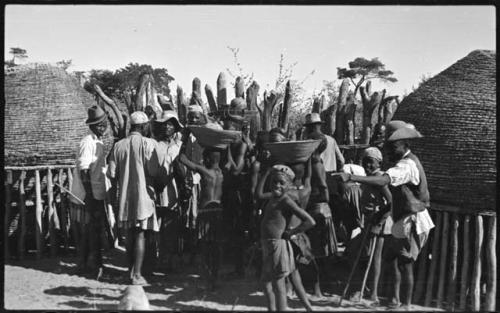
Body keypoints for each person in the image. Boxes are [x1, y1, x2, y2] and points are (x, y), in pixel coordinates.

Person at [338, 120, 434, 310]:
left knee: (405, 263)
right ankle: (394, 301)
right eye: (388, 146)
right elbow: (394, 198)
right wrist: (381, 213)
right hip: (401, 218)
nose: (389, 150)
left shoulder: (407, 165)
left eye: (394, 146)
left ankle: (404, 304)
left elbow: (383, 180)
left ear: (405, 144)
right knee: (392, 260)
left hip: (412, 220)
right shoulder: (402, 162)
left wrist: (352, 177)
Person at [107, 111, 161, 285]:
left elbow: (111, 173)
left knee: (129, 236)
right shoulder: (148, 144)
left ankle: (130, 271)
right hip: (143, 197)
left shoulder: (118, 146)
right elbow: (153, 171)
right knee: (140, 235)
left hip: (124, 197)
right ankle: (137, 275)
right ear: (145, 126)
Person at [256, 165, 316, 311]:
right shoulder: (272, 197)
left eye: (282, 183)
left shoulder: (286, 200)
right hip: (268, 244)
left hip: (277, 245)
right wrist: (266, 172)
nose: (277, 185)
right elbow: (257, 195)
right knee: (266, 282)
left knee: (279, 285)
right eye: (274, 182)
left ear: (289, 185)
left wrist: (292, 232)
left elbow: (310, 221)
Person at [178, 144, 225, 291]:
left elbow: (182, 159)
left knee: (205, 247)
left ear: (210, 159)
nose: (203, 160)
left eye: (205, 158)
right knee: (216, 247)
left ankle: (207, 280)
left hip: (206, 212)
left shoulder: (205, 172)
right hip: (218, 211)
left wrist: (184, 140)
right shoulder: (223, 173)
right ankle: (215, 278)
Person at [70, 105, 108, 280]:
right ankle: (94, 266)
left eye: (103, 124)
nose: (102, 127)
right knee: (93, 230)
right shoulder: (87, 142)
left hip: (97, 192)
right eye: (98, 125)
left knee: (91, 230)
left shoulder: (98, 142)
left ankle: (84, 264)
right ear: (91, 126)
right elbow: (83, 169)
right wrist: (90, 195)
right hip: (88, 194)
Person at [306, 123, 337, 297]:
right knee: (322, 251)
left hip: (318, 208)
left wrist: (313, 199)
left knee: (317, 250)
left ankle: (318, 288)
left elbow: (324, 189)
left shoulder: (316, 161)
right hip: (321, 208)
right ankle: (323, 286)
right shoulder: (316, 160)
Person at [359, 147, 392, 304]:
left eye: (370, 162)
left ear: (378, 163)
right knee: (371, 257)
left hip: (379, 223)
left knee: (376, 258)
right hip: (371, 220)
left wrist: (378, 221)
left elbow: (391, 202)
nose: (367, 165)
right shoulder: (370, 177)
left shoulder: (379, 178)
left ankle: (374, 294)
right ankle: (369, 289)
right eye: (365, 162)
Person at [152, 110, 184, 273]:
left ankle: (171, 260)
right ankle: (159, 259)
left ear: (175, 127)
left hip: (173, 191)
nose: (167, 127)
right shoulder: (154, 145)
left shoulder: (179, 146)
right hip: (157, 190)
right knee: (157, 228)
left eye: (171, 124)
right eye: (165, 124)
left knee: (171, 227)